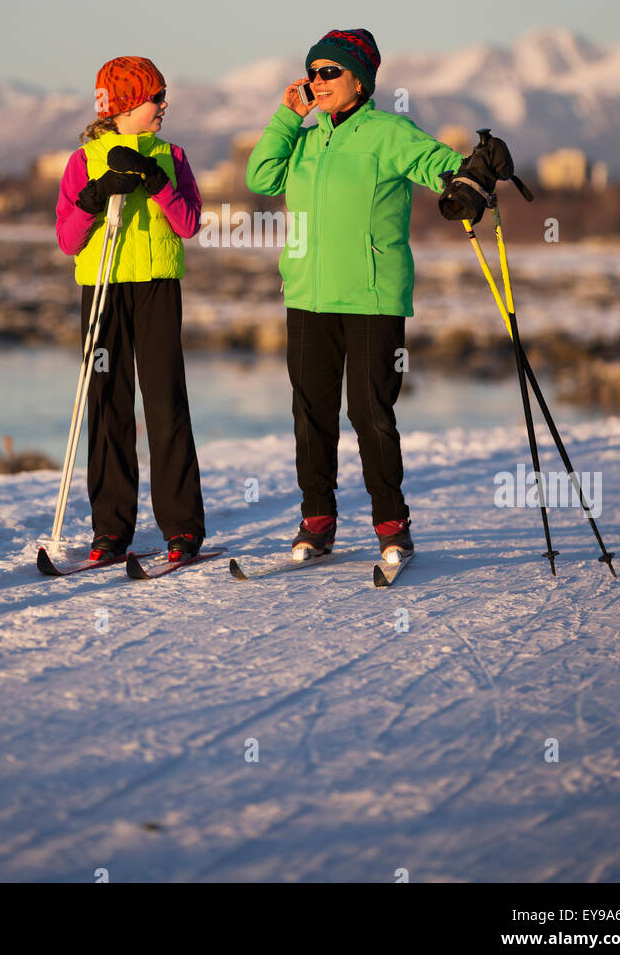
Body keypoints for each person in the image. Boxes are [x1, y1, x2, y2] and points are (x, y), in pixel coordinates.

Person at [245, 29, 465, 565]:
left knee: (370, 412)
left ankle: (392, 524)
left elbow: (438, 164)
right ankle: (316, 520)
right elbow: (261, 176)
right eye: (312, 72)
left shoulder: (388, 132)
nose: (317, 81)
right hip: (308, 296)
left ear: (360, 80)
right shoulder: (304, 137)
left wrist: (467, 177)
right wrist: (287, 117)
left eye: (329, 72)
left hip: (373, 297)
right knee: (311, 412)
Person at [55, 56, 207, 564]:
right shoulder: (84, 161)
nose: (165, 105)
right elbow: (67, 238)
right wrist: (95, 195)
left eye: (164, 96)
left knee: (165, 403)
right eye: (156, 97)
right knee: (107, 403)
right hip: (102, 287)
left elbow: (188, 224)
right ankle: (110, 529)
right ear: (123, 105)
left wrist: (158, 181)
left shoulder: (172, 154)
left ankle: (182, 528)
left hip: (157, 287)